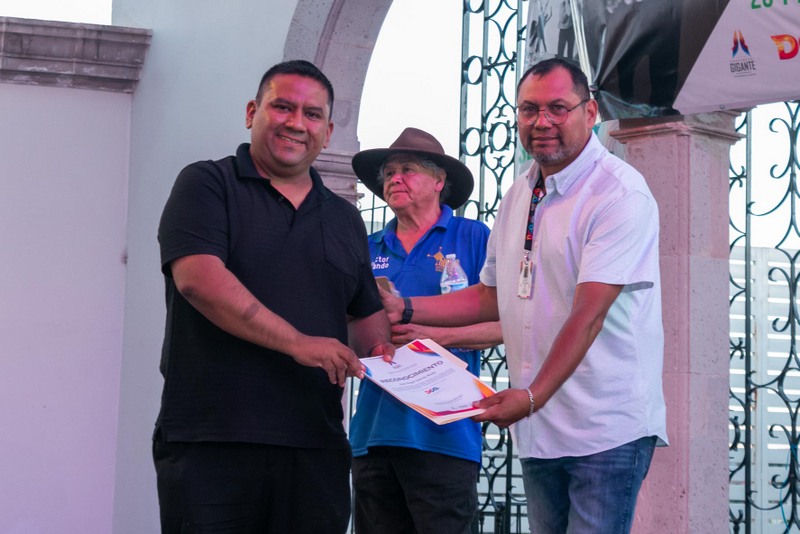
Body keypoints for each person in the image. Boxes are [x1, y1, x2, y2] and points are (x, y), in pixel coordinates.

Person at [380, 58, 667, 534]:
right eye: (529, 109)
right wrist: (405, 307)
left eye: (558, 108)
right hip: (540, 428)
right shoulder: (518, 194)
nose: (542, 121)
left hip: (605, 428)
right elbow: (490, 297)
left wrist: (532, 396)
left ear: (590, 112)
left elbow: (588, 315)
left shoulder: (619, 193)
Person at [153, 59, 393, 534]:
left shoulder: (344, 218)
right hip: (213, 443)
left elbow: (364, 319)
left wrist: (388, 353)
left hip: (315, 446)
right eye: (283, 107)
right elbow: (198, 280)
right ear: (252, 112)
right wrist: (298, 343)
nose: (296, 123)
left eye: (312, 114)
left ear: (328, 131)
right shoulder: (207, 184)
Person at [349, 127, 502, 534]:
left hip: (445, 435)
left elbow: (508, 323)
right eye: (388, 173)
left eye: (407, 170)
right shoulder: (367, 247)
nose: (394, 179)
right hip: (373, 434)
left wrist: (438, 338)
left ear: (439, 180)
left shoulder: (473, 237)